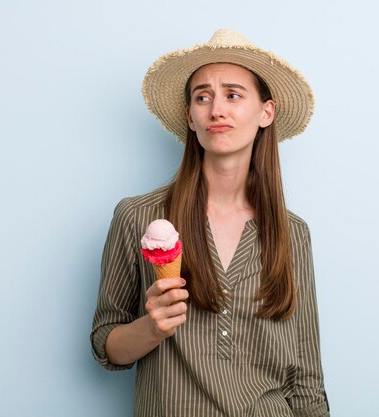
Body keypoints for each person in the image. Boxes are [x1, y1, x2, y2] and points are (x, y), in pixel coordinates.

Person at [91, 28, 329, 417]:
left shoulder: (293, 233)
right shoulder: (137, 217)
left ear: (266, 112)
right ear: (190, 116)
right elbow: (106, 344)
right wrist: (151, 328)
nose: (216, 109)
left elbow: (305, 378)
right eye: (203, 97)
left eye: (233, 95)